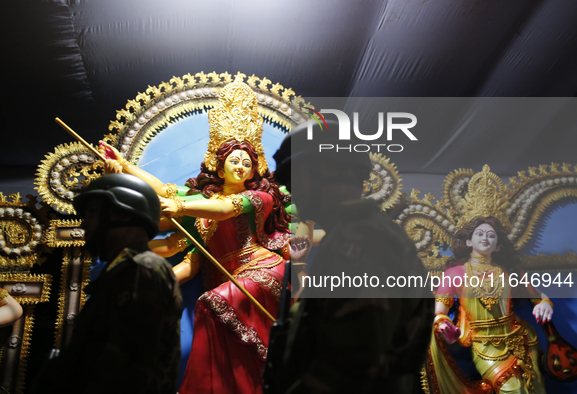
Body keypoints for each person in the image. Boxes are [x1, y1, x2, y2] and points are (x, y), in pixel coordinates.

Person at [100, 76, 291, 394]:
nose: (241, 166)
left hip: (262, 272)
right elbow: (167, 197)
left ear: (255, 169)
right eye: (234, 160)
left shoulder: (261, 197)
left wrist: (181, 207)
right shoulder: (200, 206)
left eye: (247, 162)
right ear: (220, 165)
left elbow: (227, 210)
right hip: (229, 282)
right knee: (235, 348)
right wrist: (123, 167)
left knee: (213, 301)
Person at [267, 120, 434, 393]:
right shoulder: (355, 236)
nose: (292, 191)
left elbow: (350, 367)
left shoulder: (361, 242)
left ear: (333, 170)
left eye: (296, 178)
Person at [33, 173, 183, 394]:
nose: (85, 223)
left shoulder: (144, 267)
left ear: (122, 214)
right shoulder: (122, 271)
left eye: (92, 212)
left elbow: (127, 368)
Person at [428, 166, 551, 394]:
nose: (485, 237)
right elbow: (439, 311)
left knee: (535, 390)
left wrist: (545, 303)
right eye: (480, 234)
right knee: (512, 391)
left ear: (498, 245)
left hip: (523, 340)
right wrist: (444, 325)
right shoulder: (455, 273)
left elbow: (537, 296)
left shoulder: (509, 269)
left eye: (491, 235)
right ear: (468, 241)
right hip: (484, 346)